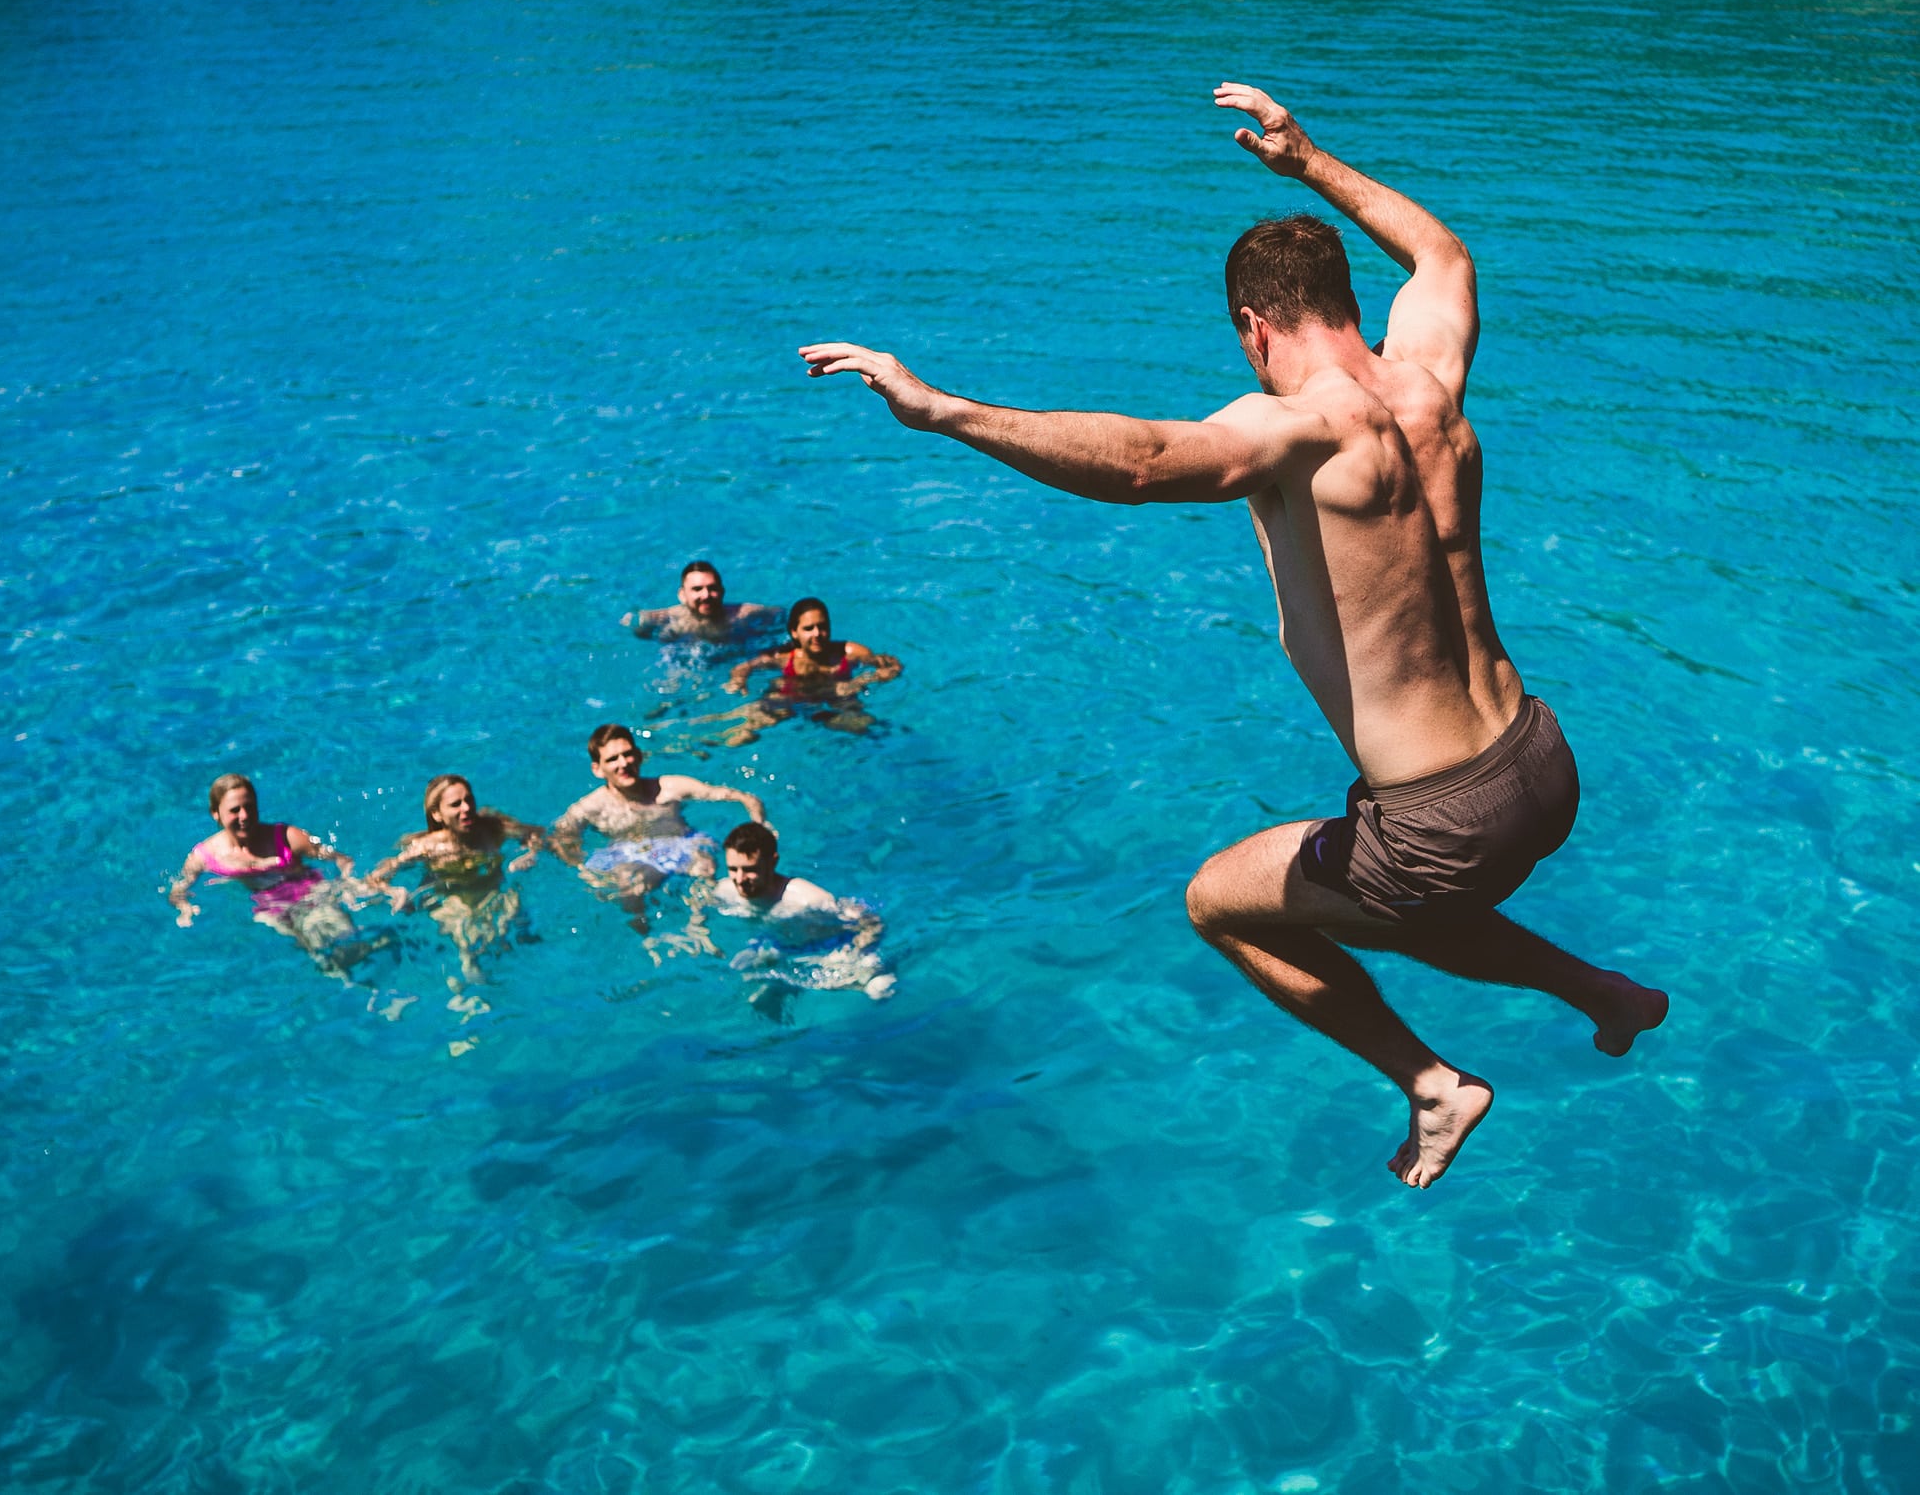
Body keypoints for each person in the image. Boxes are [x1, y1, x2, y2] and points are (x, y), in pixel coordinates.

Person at [800, 82, 1667, 1188]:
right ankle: (1603, 991)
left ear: (1254, 326)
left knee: (1221, 902)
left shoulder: (1296, 426)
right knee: (1385, 900)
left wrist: (947, 411)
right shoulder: (1428, 376)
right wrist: (1308, 162)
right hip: (1539, 760)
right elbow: (1442, 256)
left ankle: (1430, 1081)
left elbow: (1141, 463)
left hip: (1438, 813)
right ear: (1345, 299)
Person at [547, 724, 770, 929]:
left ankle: (698, 927)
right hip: (631, 855)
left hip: (678, 843)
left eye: (628, 754)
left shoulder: (671, 787)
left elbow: (741, 797)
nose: (624, 763)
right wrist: (582, 870)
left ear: (639, 755)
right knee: (628, 887)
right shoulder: (590, 807)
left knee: (704, 863)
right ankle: (644, 937)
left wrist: (760, 823)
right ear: (597, 769)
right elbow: (559, 838)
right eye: (613, 759)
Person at [169, 773, 376, 975]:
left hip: (312, 894)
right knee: (321, 958)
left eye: (249, 807)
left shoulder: (288, 837)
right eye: (235, 810)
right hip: (269, 907)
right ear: (216, 813)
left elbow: (342, 859)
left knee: (348, 944)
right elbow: (178, 888)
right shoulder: (205, 856)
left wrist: (347, 884)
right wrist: (184, 907)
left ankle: (376, 972)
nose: (244, 816)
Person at [364, 774, 546, 987]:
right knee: (468, 947)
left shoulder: (493, 828)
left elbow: (537, 833)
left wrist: (529, 853)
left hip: (493, 892)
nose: (466, 808)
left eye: (469, 800)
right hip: (452, 900)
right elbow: (375, 878)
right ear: (437, 814)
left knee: (515, 934)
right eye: (455, 804)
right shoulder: (428, 847)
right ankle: (465, 993)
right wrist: (396, 892)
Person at [687, 822, 895, 1007]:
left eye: (750, 869)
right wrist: (698, 929)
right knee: (750, 992)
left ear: (772, 862)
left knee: (879, 989)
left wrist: (858, 950)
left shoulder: (807, 899)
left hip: (828, 949)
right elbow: (700, 898)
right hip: (776, 947)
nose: (739, 879)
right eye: (733, 869)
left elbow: (871, 922)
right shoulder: (726, 890)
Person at [718, 597, 902, 744]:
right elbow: (744, 667)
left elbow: (891, 664)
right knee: (742, 736)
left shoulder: (851, 652)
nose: (817, 634)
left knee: (867, 727)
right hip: (791, 698)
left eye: (822, 627)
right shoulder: (782, 657)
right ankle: (709, 741)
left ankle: (825, 719)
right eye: (808, 628)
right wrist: (738, 681)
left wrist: (873, 678)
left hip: (838, 699)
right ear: (794, 632)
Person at [624, 560, 782, 646]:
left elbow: (778, 613)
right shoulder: (666, 617)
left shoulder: (743, 613)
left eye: (712, 588)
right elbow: (636, 626)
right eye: (697, 589)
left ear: (722, 592)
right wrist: (640, 626)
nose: (706, 595)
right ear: (682, 595)